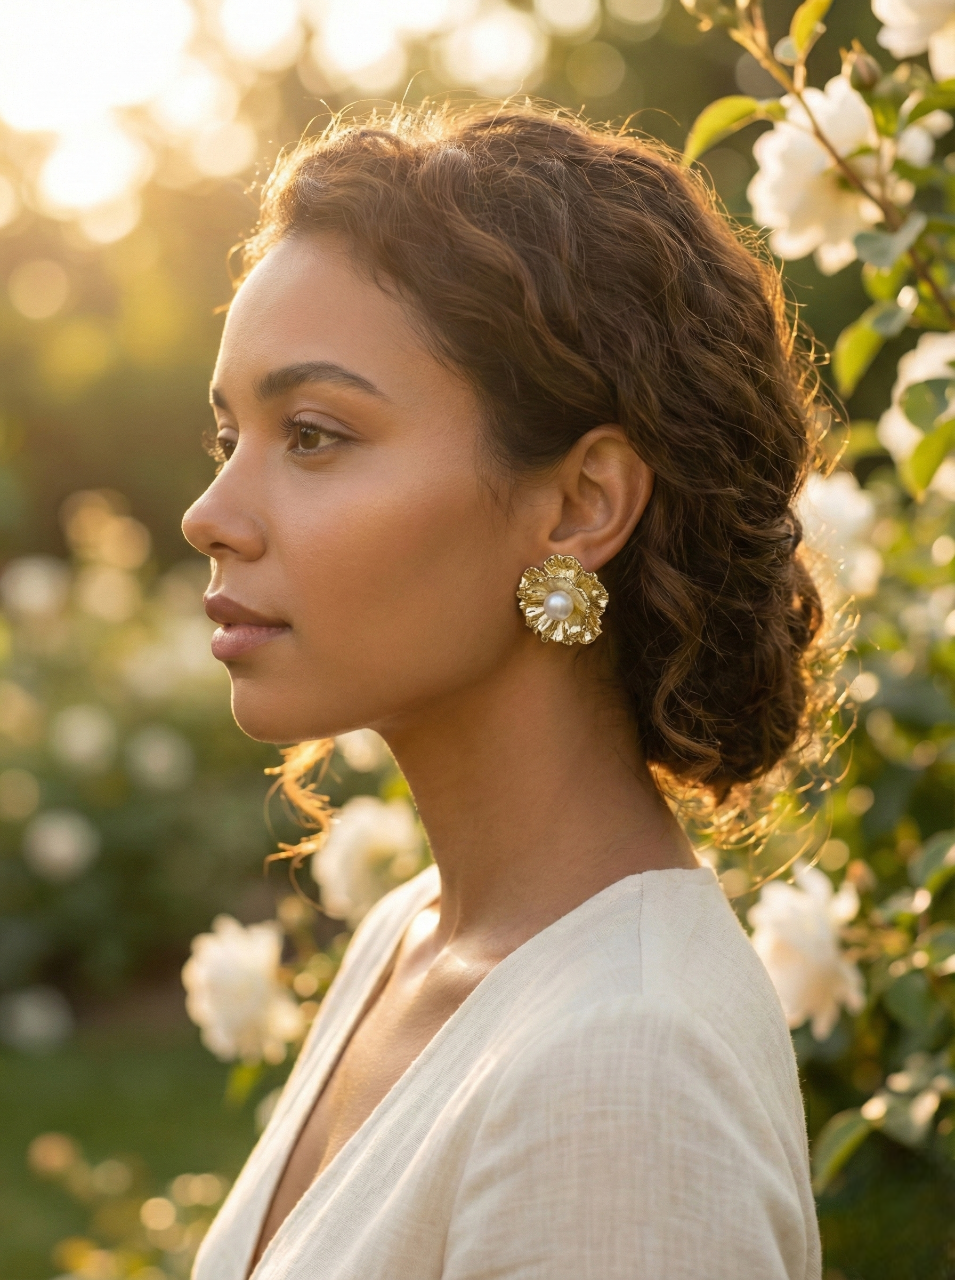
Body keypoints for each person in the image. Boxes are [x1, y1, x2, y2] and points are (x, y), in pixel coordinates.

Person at [182, 103, 824, 1280]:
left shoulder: (624, 1073)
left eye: (313, 434)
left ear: (581, 506)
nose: (210, 514)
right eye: (227, 435)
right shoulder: (407, 936)